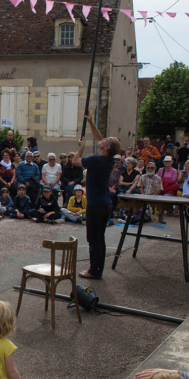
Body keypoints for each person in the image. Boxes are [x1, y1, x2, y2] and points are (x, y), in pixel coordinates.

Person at [73, 113, 121, 280]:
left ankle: (94, 271)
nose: (104, 139)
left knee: (93, 239)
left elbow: (75, 161)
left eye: (107, 139)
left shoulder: (96, 160)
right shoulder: (109, 158)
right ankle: (98, 269)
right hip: (105, 203)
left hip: (95, 205)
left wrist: (81, 146)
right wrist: (91, 122)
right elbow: (99, 138)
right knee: (100, 238)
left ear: (106, 147)